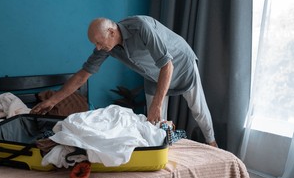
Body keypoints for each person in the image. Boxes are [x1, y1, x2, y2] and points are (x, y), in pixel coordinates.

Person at [31, 15, 218, 147]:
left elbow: (167, 65)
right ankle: (162, 151)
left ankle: (212, 143)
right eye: (95, 44)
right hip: (153, 73)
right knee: (154, 121)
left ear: (112, 32)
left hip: (179, 63)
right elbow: (83, 75)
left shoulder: (141, 27)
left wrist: (157, 104)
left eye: (99, 42)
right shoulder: (107, 47)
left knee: (198, 109)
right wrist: (52, 100)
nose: (97, 47)